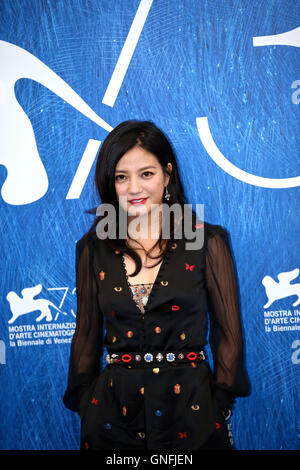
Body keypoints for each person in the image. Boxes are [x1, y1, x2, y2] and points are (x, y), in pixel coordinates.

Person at [63, 120, 249, 451]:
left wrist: (216, 403)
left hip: (192, 415)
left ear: (167, 174)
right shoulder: (94, 246)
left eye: (146, 174)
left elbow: (229, 334)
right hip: (113, 419)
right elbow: (86, 336)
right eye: (122, 177)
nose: (134, 188)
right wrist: (86, 403)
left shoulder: (206, 239)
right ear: (111, 183)